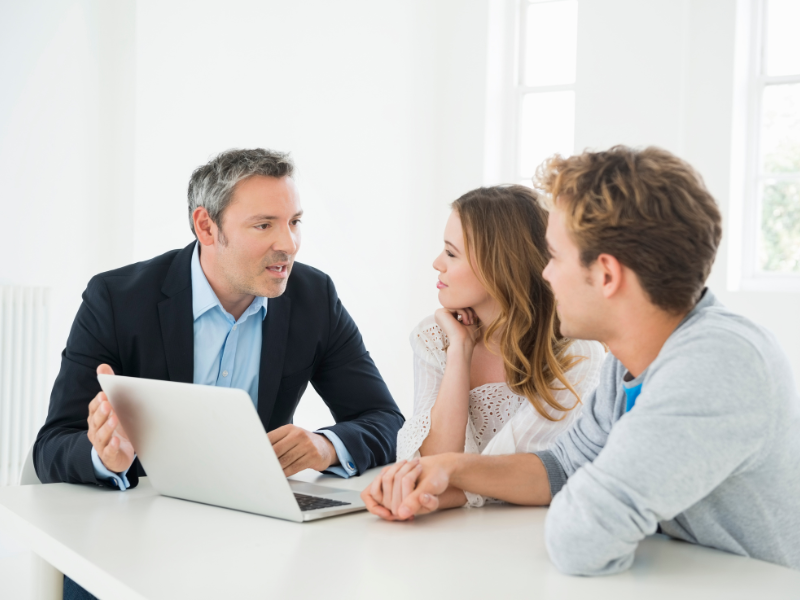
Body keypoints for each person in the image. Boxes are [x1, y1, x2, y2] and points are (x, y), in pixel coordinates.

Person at [363, 146, 800, 575]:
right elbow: (561, 468)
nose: (545, 274)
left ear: (606, 275)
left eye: (554, 256)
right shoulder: (628, 360)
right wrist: (450, 468)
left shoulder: (716, 366)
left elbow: (582, 538)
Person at [35, 147, 403, 488]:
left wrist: (326, 446)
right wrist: (104, 457)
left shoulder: (314, 297)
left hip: (256, 517)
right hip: (145, 518)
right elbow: (52, 445)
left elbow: (387, 421)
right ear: (206, 227)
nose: (288, 244)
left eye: (294, 222)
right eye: (264, 225)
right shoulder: (116, 300)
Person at [362, 185, 605, 516]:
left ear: (499, 266)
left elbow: (525, 467)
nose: (437, 263)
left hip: (533, 532)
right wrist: (459, 352)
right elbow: (428, 461)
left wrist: (445, 491)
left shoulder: (577, 352)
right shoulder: (436, 337)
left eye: (450, 253)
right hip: (458, 534)